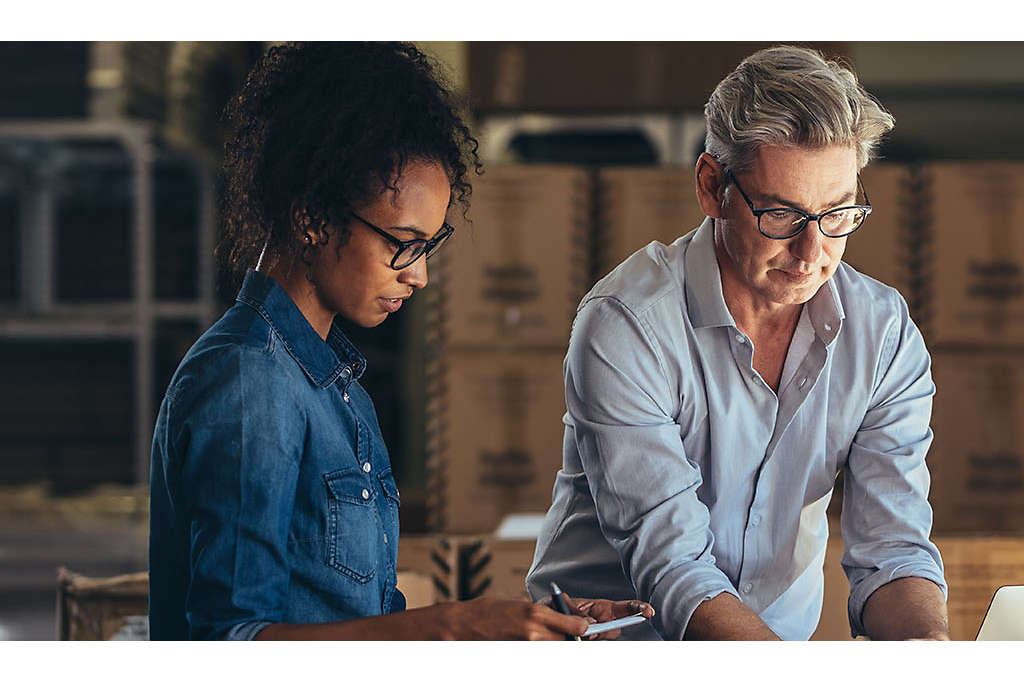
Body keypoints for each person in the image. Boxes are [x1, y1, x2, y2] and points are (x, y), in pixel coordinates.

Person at [148, 42, 652, 641]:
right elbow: (225, 643)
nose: (419, 274)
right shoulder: (248, 380)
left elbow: (359, 629)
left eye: (428, 247)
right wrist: (455, 625)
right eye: (403, 243)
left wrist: (524, 626)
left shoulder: (337, 389)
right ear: (312, 217)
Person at [526, 45, 950, 641]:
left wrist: (926, 648)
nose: (812, 253)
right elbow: (673, 566)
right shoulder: (627, 325)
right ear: (711, 187)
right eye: (781, 215)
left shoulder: (881, 333)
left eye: (838, 214)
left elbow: (894, 548)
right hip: (617, 649)